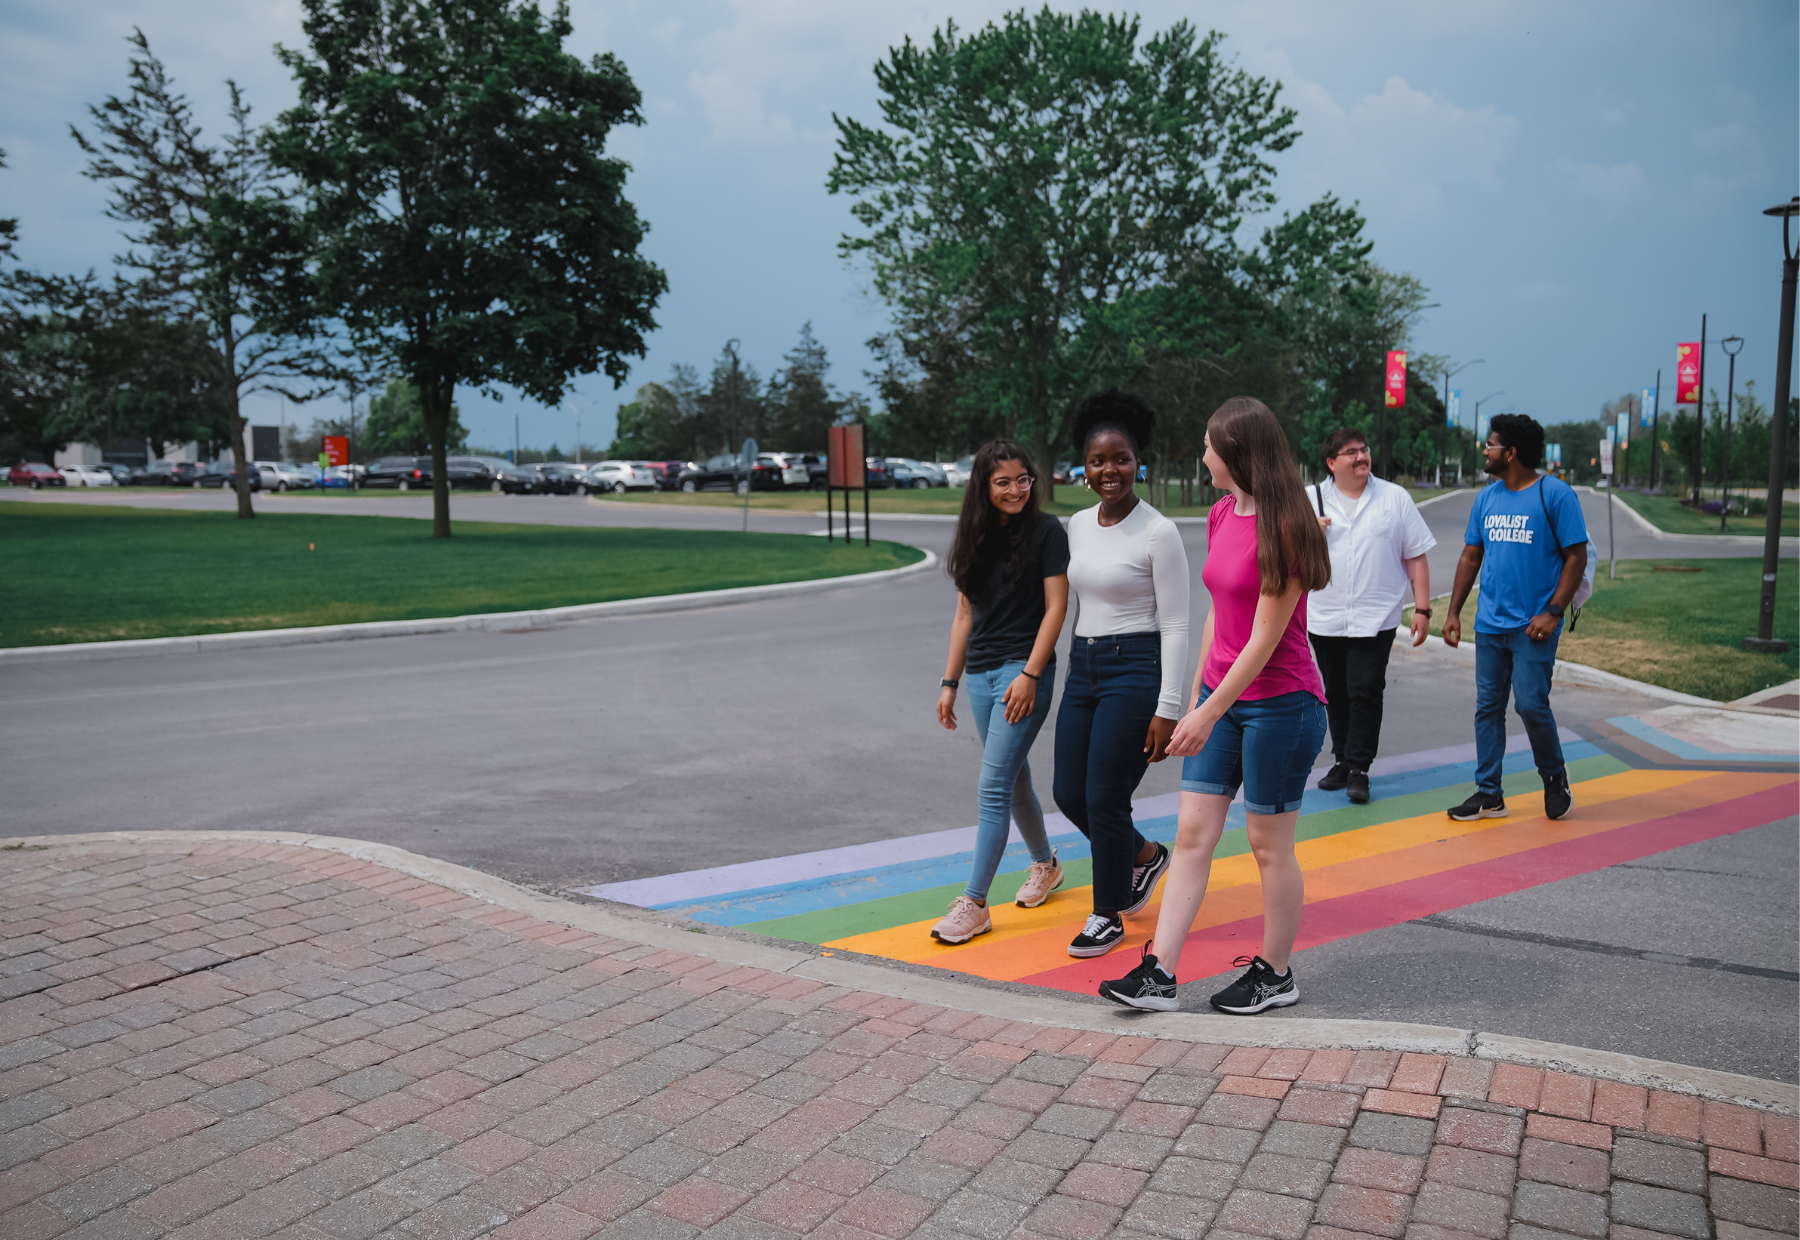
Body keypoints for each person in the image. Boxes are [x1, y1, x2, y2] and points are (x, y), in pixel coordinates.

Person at [1099, 397, 1331, 1014]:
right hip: (1221, 700)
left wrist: (1208, 710)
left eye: (1209, 446)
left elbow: (1264, 638)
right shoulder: (1224, 511)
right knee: (1193, 833)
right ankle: (1159, 973)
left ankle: (1275, 974)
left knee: (1266, 844)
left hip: (1283, 703)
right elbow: (1218, 620)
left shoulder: (1287, 526)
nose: (1202, 455)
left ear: (1237, 453)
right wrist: (1195, 698)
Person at [1053, 389, 1189, 959]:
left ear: (1140, 463)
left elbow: (1178, 624)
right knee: (1068, 793)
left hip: (1136, 667)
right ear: (1084, 467)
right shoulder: (1078, 525)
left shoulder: (1160, 532)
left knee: (1106, 796)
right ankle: (1144, 856)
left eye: (1121, 458)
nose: (1110, 469)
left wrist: (1169, 707)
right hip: (1083, 664)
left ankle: (1105, 912)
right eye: (1098, 460)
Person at [931, 442, 1071, 943]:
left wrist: (1031, 675)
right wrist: (950, 682)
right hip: (980, 675)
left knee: (992, 788)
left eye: (1023, 479)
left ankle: (974, 903)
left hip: (1022, 671)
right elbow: (965, 615)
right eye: (1003, 482)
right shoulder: (975, 536)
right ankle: (1046, 864)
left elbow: (1057, 609)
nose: (1016, 489)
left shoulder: (1047, 531)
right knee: (1012, 781)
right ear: (984, 488)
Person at [1442, 414, 1586, 823]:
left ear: (1511, 452)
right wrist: (1454, 611)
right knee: (1487, 708)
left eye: (1490, 445)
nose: (1484, 451)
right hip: (1490, 625)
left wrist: (1553, 612)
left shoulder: (1554, 495)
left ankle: (1554, 775)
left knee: (1530, 705)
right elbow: (1472, 555)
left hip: (1533, 627)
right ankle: (1489, 793)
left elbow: (1576, 557)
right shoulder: (1487, 498)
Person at [1306, 429, 1436, 804]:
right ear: (1332, 463)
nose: (1362, 457)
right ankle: (1342, 761)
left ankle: (1360, 769)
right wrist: (1307, 535)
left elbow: (1416, 556)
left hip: (1375, 616)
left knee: (1365, 689)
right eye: (1351, 453)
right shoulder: (1309, 499)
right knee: (1335, 692)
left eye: (1364, 450)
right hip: (1325, 615)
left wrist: (1423, 609)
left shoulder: (1394, 498)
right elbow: (1282, 552)